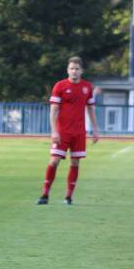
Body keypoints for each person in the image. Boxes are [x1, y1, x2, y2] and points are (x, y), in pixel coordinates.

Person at [37, 56, 99, 205]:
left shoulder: (87, 87)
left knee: (76, 163)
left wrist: (95, 130)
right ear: (67, 70)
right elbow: (53, 110)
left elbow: (91, 109)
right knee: (54, 161)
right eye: (71, 68)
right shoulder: (60, 86)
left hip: (79, 132)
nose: (74, 71)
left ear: (81, 71)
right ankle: (45, 194)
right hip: (62, 131)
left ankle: (68, 197)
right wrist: (54, 131)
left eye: (77, 69)